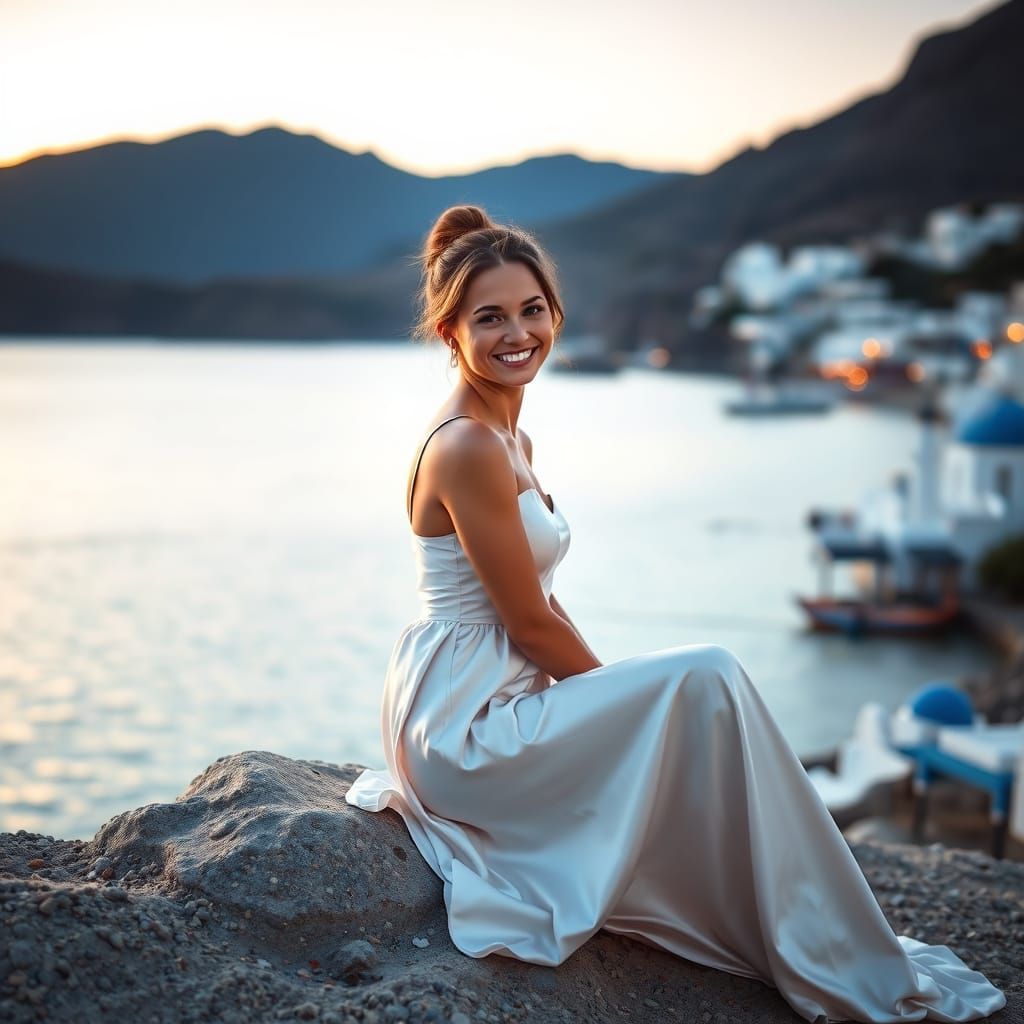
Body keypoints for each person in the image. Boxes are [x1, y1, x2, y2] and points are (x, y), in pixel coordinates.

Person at [345, 204, 1006, 1023]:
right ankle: (803, 921)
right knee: (708, 677)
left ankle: (800, 916)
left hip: (490, 686)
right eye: (490, 318)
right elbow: (529, 624)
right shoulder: (469, 447)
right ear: (450, 331)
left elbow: (538, 610)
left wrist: (615, 700)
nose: (518, 333)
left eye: (531, 310)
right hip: (462, 724)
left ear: (554, 311)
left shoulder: (510, 436)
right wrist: (621, 699)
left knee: (695, 695)